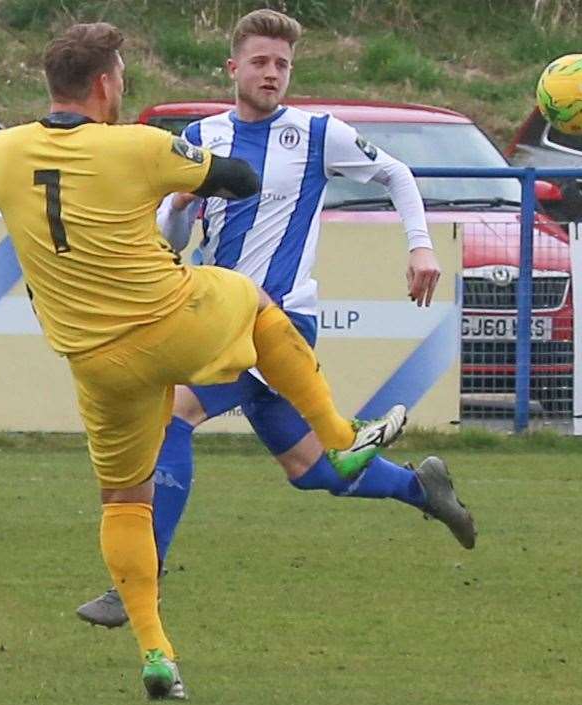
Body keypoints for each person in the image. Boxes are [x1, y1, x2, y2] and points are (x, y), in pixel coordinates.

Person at [0, 22, 410, 700]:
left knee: (124, 500)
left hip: (95, 362)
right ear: (105, 86)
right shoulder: (137, 144)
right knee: (250, 297)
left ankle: (157, 652)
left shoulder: (0, 151)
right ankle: (341, 437)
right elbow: (241, 177)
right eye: (122, 79)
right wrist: (184, 171)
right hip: (173, 322)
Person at [74, 8, 476, 630]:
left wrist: (420, 245)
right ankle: (421, 489)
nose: (272, 74)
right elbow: (171, 237)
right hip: (215, 316)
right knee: (313, 471)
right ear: (233, 68)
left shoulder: (317, 134)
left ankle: (136, 587)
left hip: (277, 323)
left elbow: (395, 172)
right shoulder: (201, 141)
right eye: (260, 62)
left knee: (172, 414)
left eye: (282, 64)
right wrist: (179, 207)